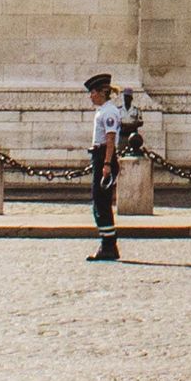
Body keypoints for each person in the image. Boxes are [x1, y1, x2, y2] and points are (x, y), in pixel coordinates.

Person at [84, 71, 123, 261]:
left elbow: (110, 139)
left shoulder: (109, 112)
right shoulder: (103, 111)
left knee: (101, 203)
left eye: (92, 92)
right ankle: (107, 244)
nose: (90, 96)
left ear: (101, 92)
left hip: (103, 157)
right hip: (99, 157)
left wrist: (106, 164)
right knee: (99, 202)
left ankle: (108, 246)